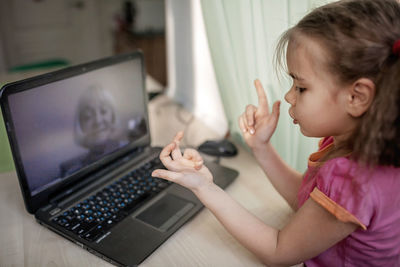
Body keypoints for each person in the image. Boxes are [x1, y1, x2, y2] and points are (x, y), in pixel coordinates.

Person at [152, 0, 400, 266]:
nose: (289, 96)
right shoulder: (351, 146)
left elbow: (278, 250)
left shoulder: (354, 179)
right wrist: (261, 147)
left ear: (357, 96)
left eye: (301, 88)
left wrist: (204, 187)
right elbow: (308, 203)